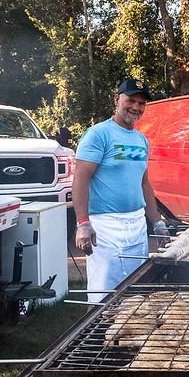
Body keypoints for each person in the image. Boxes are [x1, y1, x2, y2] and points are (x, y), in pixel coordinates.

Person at [73, 78, 171, 303]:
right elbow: (80, 179)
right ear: (117, 99)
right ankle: (93, 337)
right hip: (105, 227)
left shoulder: (141, 140)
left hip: (137, 225)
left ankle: (127, 338)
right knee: (102, 296)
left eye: (141, 103)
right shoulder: (98, 135)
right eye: (131, 100)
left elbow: (144, 183)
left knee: (135, 293)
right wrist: (83, 224)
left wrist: (157, 223)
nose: (136, 107)